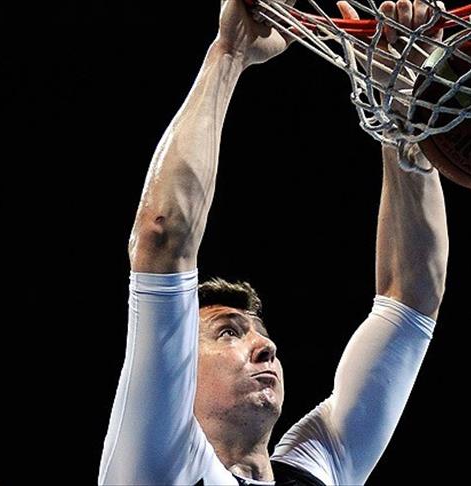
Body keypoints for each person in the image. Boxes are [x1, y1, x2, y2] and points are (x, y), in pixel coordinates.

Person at [98, 0, 449, 484]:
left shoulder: (321, 468)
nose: (266, 345)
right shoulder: (156, 466)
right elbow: (162, 233)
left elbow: (411, 298)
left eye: (253, 331)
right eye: (228, 332)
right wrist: (229, 53)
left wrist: (400, 107)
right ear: (175, 371)